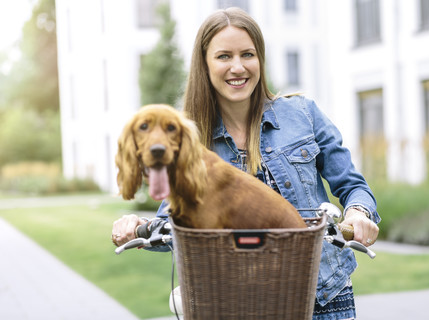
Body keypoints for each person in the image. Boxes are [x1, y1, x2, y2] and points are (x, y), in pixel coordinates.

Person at [112, 7, 380, 319]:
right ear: (205, 64)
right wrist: (137, 228)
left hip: (322, 299)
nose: (238, 67)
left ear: (260, 60)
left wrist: (358, 213)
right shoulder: (186, 140)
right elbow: (173, 225)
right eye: (224, 56)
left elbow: (353, 186)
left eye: (248, 54)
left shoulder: (303, 114)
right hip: (237, 305)